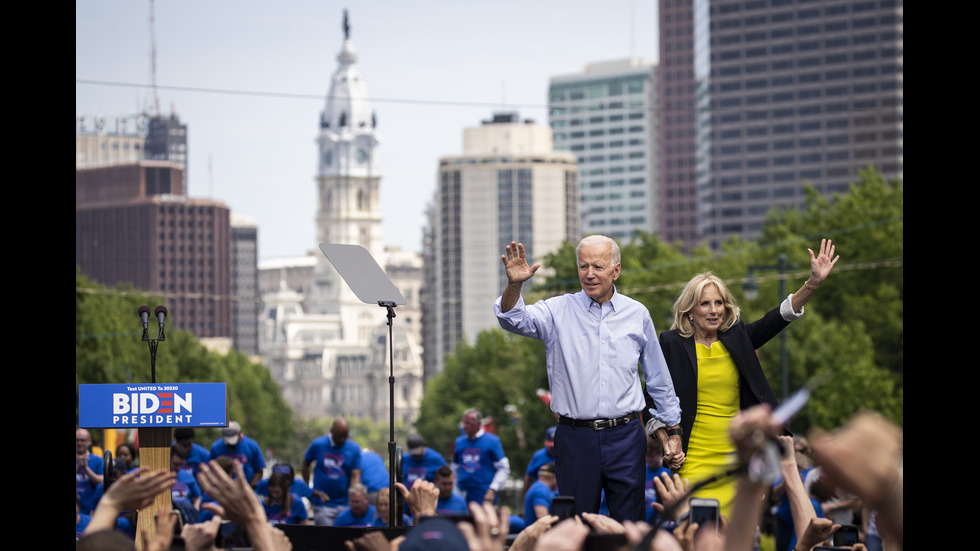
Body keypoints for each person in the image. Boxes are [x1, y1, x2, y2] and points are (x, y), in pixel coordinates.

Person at [494, 236, 683, 522]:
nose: (590, 273)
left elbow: (658, 379)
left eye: (598, 266)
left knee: (630, 528)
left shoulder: (637, 314)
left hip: (626, 437)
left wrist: (674, 431)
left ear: (615, 270)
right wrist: (515, 285)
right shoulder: (556, 311)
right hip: (575, 438)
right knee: (575, 527)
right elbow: (511, 317)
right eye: (583, 266)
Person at [658, 238, 839, 519]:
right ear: (690, 311)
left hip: (737, 457)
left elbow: (778, 317)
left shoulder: (737, 337)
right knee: (697, 534)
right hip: (693, 458)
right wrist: (668, 439)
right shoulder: (670, 343)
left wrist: (812, 283)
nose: (714, 310)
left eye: (719, 302)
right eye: (705, 304)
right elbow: (653, 397)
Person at [302, 417, 362, 526]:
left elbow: (355, 474)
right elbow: (305, 464)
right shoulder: (318, 445)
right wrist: (308, 489)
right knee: (325, 539)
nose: (342, 440)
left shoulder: (354, 449)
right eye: (339, 437)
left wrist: (355, 494)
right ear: (332, 431)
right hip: (322, 504)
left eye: (345, 436)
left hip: (344, 503)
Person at [451, 408, 510, 505]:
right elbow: (455, 468)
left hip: (484, 496)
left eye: (468, 423)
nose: (464, 426)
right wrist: (454, 488)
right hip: (462, 496)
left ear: (478, 424)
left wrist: (493, 489)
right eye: (463, 423)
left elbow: (503, 468)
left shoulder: (492, 441)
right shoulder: (459, 442)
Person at [209, 421, 266, 488]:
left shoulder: (252, 446)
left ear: (240, 434)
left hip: (248, 487)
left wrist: (250, 487)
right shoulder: (216, 448)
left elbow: (259, 471)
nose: (231, 444)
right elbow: (211, 470)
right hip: (223, 489)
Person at [76, 428, 105, 515]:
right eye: (77, 440)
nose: (79, 443)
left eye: (82, 440)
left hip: (91, 510)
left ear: (89, 442)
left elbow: (102, 481)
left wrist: (86, 469)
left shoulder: (97, 460)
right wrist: (78, 467)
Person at [522, 426, 557, 497]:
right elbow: (528, 477)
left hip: (559, 496)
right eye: (551, 446)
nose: (552, 448)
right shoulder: (539, 456)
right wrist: (526, 497)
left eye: (555, 445)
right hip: (541, 494)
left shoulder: (565, 456)